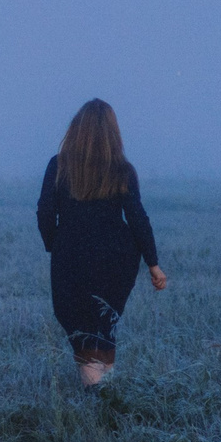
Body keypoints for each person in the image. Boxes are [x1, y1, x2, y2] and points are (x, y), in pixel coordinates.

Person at [36, 99, 167, 386]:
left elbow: (45, 212)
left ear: (76, 129)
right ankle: (104, 392)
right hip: (118, 258)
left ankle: (97, 397)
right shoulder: (122, 170)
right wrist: (153, 264)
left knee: (80, 323)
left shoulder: (58, 166)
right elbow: (137, 218)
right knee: (103, 323)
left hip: (71, 254)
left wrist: (54, 244)